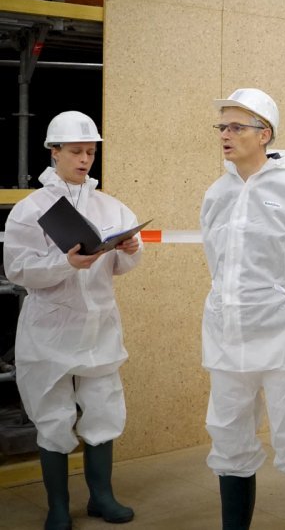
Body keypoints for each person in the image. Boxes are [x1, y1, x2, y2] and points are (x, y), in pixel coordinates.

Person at [200, 88, 285, 530]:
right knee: (229, 438)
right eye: (222, 126)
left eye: (237, 126)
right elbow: (217, 266)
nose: (226, 134)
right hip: (228, 340)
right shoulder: (216, 194)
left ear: (265, 135)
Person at [4, 111, 141, 529]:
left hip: (99, 328)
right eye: (77, 151)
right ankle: (58, 506)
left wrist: (129, 249)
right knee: (54, 417)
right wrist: (66, 263)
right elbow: (18, 270)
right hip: (50, 331)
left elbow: (119, 268)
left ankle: (102, 497)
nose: (85, 159)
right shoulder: (31, 210)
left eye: (91, 152)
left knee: (103, 412)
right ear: (54, 151)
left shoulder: (111, 206)